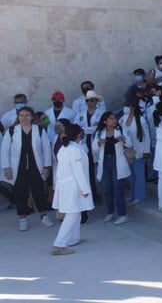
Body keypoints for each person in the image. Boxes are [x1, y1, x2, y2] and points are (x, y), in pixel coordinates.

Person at [1, 106, 55, 231]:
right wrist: (6, 167)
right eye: (21, 116)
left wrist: (47, 166)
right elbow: (5, 150)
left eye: (27, 115)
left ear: (32, 117)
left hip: (36, 166)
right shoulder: (12, 131)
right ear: (18, 117)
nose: (24, 118)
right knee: (20, 193)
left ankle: (43, 216)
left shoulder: (39, 130)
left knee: (39, 192)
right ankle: (23, 218)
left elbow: (46, 149)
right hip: (18, 167)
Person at [50, 123, 94, 255]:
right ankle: (59, 244)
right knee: (73, 214)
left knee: (76, 212)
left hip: (66, 185)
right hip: (74, 186)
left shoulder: (64, 149)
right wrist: (85, 189)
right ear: (79, 135)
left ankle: (73, 238)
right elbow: (78, 171)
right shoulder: (75, 150)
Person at [93, 112, 132, 225]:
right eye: (111, 118)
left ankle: (122, 214)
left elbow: (129, 144)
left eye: (115, 118)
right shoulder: (100, 132)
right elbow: (94, 148)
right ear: (105, 121)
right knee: (106, 188)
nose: (114, 120)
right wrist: (99, 143)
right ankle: (110, 212)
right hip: (105, 161)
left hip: (117, 161)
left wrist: (123, 140)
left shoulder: (121, 130)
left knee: (118, 188)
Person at [121, 101, 151, 205]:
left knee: (139, 174)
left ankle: (139, 195)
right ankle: (132, 193)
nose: (126, 108)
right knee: (130, 174)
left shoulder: (141, 120)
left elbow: (146, 135)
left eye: (128, 105)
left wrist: (146, 150)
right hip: (128, 151)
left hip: (139, 151)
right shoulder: (123, 119)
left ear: (133, 107)